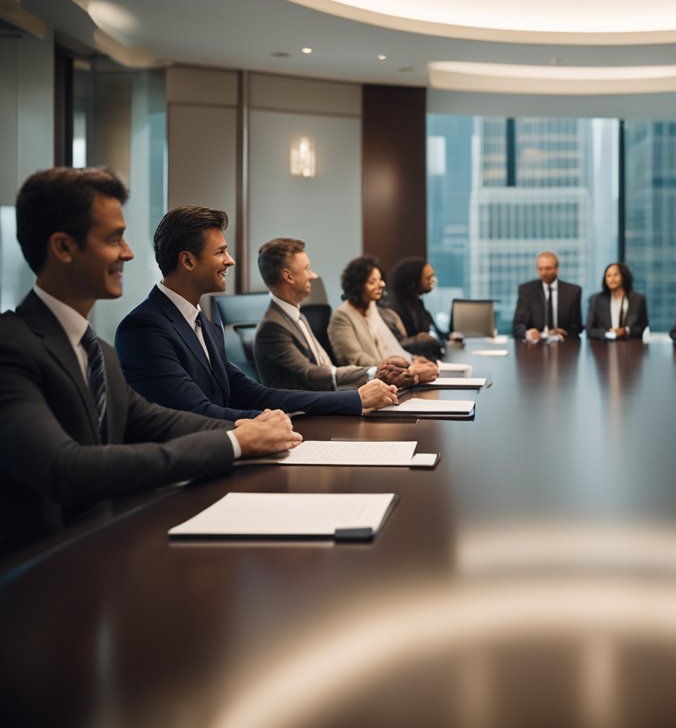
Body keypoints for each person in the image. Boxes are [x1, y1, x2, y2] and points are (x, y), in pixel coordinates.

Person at [0, 169, 299, 554]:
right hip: (37, 579)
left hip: (105, 550)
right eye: (113, 239)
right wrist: (235, 442)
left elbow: (157, 420)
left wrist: (251, 428)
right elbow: (66, 468)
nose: (128, 252)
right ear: (63, 247)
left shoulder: (99, 351)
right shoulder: (11, 345)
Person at [115, 207, 398, 421]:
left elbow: (258, 394)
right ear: (188, 260)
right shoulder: (144, 328)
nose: (231, 260)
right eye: (221, 252)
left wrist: (354, 400)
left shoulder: (207, 326)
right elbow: (197, 413)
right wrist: (267, 422)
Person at [251, 238, 423, 391]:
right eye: (307, 269)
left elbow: (323, 367)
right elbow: (310, 374)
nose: (314, 275)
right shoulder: (273, 326)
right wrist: (374, 373)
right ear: (289, 277)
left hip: (327, 400)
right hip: (303, 418)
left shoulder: (296, 316)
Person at [327, 255, 441, 383]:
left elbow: (390, 348)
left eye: (380, 280)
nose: (381, 284)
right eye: (372, 282)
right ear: (357, 285)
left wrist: (413, 360)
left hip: (388, 380)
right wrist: (404, 370)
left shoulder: (372, 308)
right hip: (367, 386)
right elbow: (357, 360)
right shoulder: (342, 316)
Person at [512, 251, 583, 342]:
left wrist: (562, 334)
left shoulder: (573, 291)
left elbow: (577, 327)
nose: (544, 272)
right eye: (540, 269)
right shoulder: (527, 290)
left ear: (557, 269)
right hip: (534, 347)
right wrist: (528, 333)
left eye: (548, 268)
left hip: (563, 346)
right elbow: (518, 326)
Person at [384, 257, 446, 361]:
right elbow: (395, 344)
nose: (433, 281)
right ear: (413, 280)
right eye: (428, 278)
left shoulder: (417, 303)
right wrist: (420, 339)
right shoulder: (392, 307)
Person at [586, 263, 649, 340]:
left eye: (616, 275)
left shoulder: (638, 299)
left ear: (623, 276)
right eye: (608, 276)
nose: (612, 279)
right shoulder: (596, 299)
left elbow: (642, 327)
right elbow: (589, 330)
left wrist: (626, 331)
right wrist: (609, 334)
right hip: (603, 347)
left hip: (630, 346)